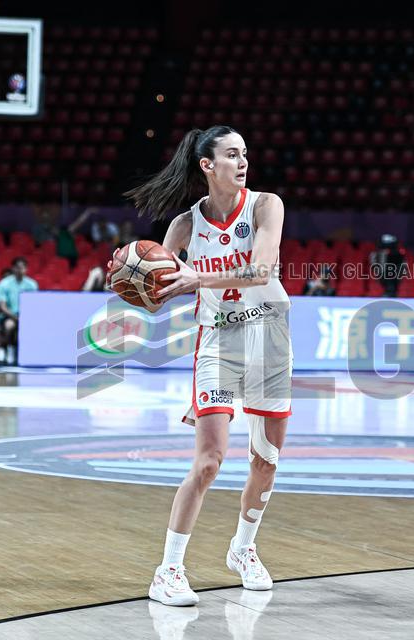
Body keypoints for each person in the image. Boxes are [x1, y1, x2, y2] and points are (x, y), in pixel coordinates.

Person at [124, 126, 292, 607]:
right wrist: (137, 281)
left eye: (245, 153)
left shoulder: (266, 205)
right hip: (218, 342)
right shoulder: (183, 226)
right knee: (209, 462)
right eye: (232, 154)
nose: (243, 162)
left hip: (270, 339)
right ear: (207, 165)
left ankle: (243, 548)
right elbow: (158, 294)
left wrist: (196, 277)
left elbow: (261, 271)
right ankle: (168, 570)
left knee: (266, 462)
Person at [0, 257, 38, 362]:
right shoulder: (4, 283)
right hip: (9, 315)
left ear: (26, 269)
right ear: (13, 269)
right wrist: (15, 317)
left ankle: (32, 353)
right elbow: (2, 306)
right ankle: (7, 348)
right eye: (18, 268)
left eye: (23, 268)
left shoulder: (32, 284)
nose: (20, 270)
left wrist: (25, 317)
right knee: (9, 325)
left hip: (27, 316)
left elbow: (35, 305)